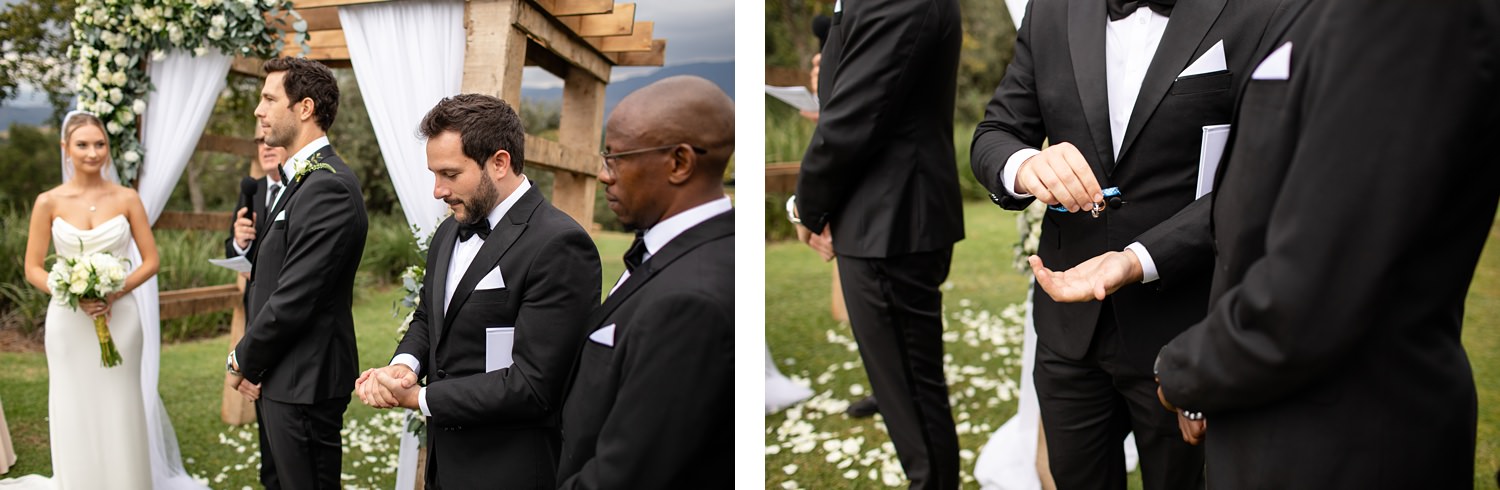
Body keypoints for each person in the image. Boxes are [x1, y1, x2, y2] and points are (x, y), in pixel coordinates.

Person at [1029, 0, 1500, 486]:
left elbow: (1320, 280)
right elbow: (1251, 198)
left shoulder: (1405, 17)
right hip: (1264, 417)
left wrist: (1189, 371)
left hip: (1344, 441)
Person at [968, 0, 1283, 487]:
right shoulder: (1051, 10)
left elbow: (1259, 178)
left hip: (1186, 325)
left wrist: (1141, 258)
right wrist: (1024, 164)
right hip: (1068, 333)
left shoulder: (1258, 11)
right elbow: (996, 133)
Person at [354, 94, 601, 488]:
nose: (437, 190)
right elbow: (429, 318)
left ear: (499, 163)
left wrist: (421, 398)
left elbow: (534, 386)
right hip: (445, 464)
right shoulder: (450, 231)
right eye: (434, 174)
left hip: (510, 468)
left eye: (450, 174)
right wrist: (406, 364)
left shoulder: (560, 245)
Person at [787, 0, 965, 486]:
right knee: (900, 388)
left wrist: (808, 206)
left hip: (894, 221)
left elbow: (854, 117)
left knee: (913, 397)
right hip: (879, 215)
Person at [555, 75, 734, 488]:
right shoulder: (680, 249)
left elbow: (629, 474)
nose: (604, 175)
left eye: (616, 157)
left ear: (679, 163)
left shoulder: (691, 303)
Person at [225, 56, 368, 489]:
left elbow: (296, 295)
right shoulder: (299, 179)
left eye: (269, 98)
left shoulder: (329, 187)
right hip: (280, 373)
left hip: (306, 379)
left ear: (304, 108)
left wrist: (242, 358)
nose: (259, 110)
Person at [15, 111, 160, 489]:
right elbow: (32, 267)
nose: (93, 152)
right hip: (68, 321)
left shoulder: (128, 198)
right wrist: (70, 290)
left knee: (119, 403)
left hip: (121, 317)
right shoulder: (48, 201)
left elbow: (152, 261)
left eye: (100, 144)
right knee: (73, 405)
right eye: (82, 144)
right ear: (66, 148)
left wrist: (117, 289)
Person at [224, 127, 289, 263]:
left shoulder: (301, 187)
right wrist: (240, 244)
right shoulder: (251, 189)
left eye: (271, 138)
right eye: (260, 141)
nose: (266, 146)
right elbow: (230, 251)